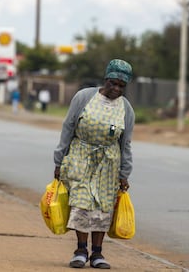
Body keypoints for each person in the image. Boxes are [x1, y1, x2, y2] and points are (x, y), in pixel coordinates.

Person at [53, 59, 135, 269]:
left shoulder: (126, 109)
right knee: (81, 202)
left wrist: (124, 173)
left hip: (109, 162)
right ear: (105, 79)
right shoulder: (84, 97)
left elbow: (125, 144)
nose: (116, 89)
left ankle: (97, 254)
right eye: (112, 83)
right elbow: (68, 127)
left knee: (103, 207)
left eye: (121, 86)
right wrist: (59, 160)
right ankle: (80, 250)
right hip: (80, 155)